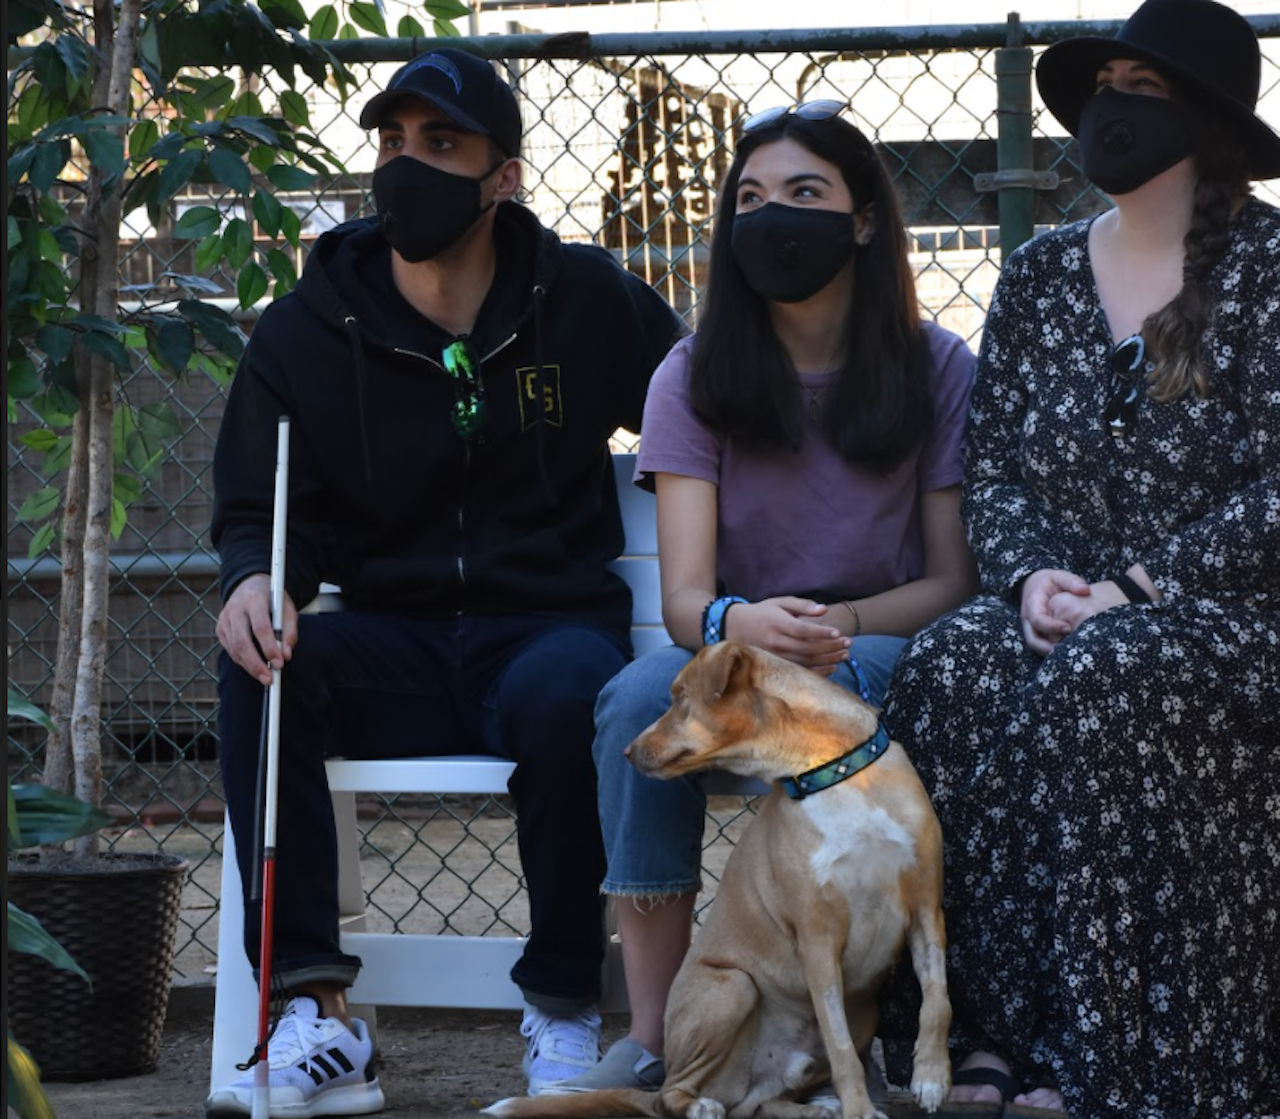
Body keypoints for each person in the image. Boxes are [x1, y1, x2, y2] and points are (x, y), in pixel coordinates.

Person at [205, 48, 685, 1117]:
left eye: (440, 144)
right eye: (391, 141)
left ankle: (562, 1010)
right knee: (263, 671)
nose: (405, 166)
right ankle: (313, 1017)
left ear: (502, 176)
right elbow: (257, 502)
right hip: (395, 637)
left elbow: (702, 408)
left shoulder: (585, 300)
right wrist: (254, 577)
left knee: (574, 697)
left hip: (546, 628)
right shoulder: (310, 324)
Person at [877, 2, 1280, 1116]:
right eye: (1102, 84)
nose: (1110, 111)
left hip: (1229, 618)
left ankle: (1097, 1055)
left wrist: (1137, 587)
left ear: (1203, 119)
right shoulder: (1042, 273)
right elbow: (994, 470)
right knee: (950, 667)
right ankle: (982, 1032)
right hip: (1062, 603)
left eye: (1140, 90)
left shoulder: (1268, 268)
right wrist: (1027, 581)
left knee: (1102, 679)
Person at [553, 103, 979, 1095]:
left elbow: (952, 578)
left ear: (862, 219)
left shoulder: (935, 364)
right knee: (630, 701)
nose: (772, 217)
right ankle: (661, 1025)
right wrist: (738, 625)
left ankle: (866, 1021)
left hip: (864, 641)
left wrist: (843, 624)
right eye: (749, 198)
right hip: (735, 645)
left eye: (803, 194)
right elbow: (684, 600)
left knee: (859, 711)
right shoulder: (692, 373)